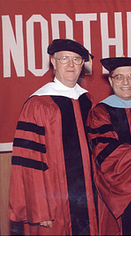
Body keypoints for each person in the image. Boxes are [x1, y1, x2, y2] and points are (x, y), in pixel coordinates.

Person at [9, 39, 98, 235]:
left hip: (89, 201)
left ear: (82, 65)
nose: (71, 64)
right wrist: (39, 209)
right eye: (64, 58)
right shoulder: (38, 104)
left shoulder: (87, 100)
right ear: (53, 62)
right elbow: (29, 162)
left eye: (76, 59)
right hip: (53, 204)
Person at [87, 56, 131, 236]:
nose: (125, 82)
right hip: (119, 193)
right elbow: (104, 153)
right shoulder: (100, 112)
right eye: (119, 77)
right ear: (111, 81)